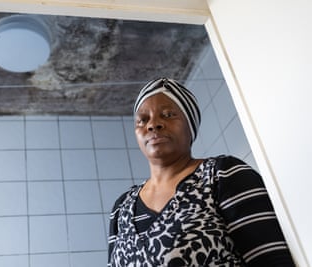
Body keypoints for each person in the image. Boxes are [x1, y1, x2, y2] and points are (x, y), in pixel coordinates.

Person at [108, 77, 295, 266]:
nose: (153, 124)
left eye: (168, 114)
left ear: (191, 126)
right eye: (143, 119)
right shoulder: (121, 207)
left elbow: (274, 259)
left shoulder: (223, 175)